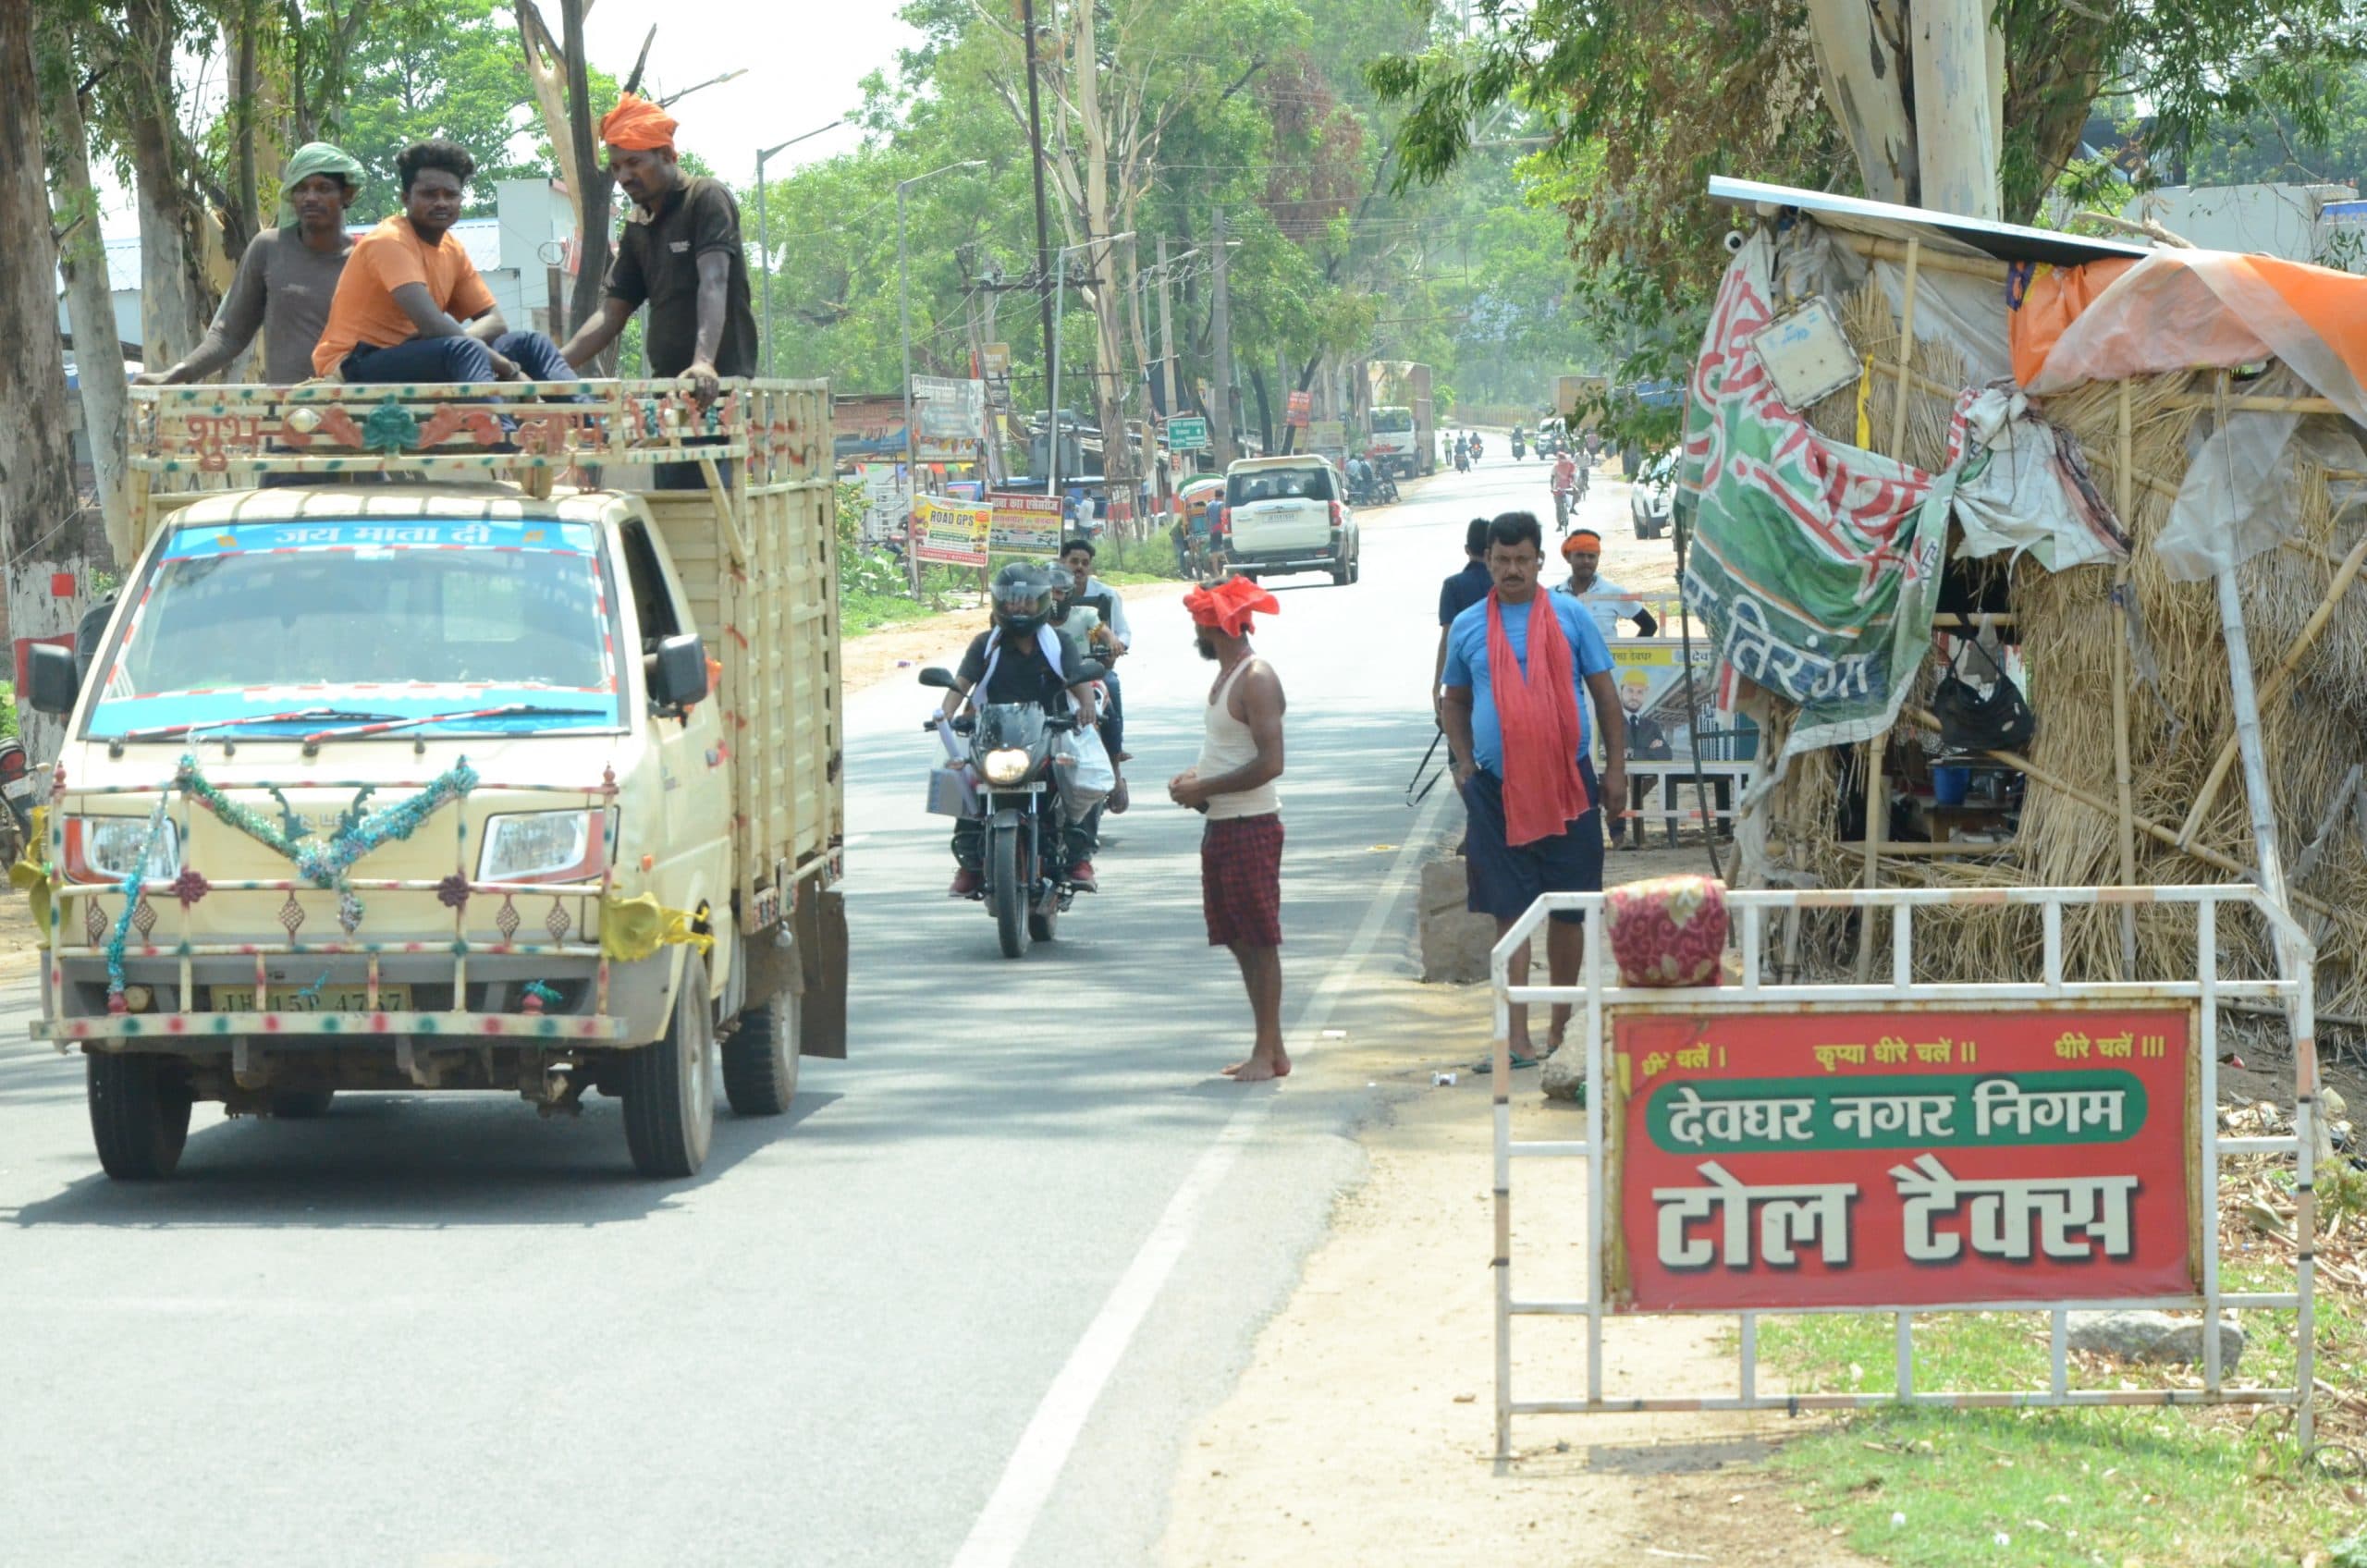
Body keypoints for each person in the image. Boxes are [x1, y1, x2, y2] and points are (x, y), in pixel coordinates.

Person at [1441, 512, 1627, 1065]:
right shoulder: (1469, 626)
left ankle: (1560, 1032)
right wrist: (1465, 763)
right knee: (1510, 910)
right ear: (1489, 560)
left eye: (1523, 560)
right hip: (1497, 791)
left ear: (1541, 561)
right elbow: (1453, 699)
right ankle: (1515, 1039)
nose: (1512, 570)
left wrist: (1615, 770)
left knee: (1570, 908)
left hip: (1569, 785)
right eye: (1502, 560)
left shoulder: (1571, 617)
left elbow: (1606, 697)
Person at [558, 92, 760, 488]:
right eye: (616, 167)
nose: (624, 176)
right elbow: (611, 313)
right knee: (673, 500)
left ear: (667, 155)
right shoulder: (638, 225)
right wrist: (554, 367)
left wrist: (704, 362)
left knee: (709, 505)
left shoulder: (706, 198)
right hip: (668, 390)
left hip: (717, 389)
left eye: (635, 162)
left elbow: (714, 282)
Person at [312, 139, 577, 387]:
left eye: (450, 195)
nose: (441, 202)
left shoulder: (451, 248)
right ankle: (499, 432)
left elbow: (495, 322)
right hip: (356, 365)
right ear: (406, 198)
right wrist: (510, 370)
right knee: (464, 349)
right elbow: (433, 326)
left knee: (530, 343)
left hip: (419, 358)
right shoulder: (389, 240)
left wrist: (448, 341)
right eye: (429, 194)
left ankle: (588, 420)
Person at [1169, 576, 1289, 1082]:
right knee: (1239, 937)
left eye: (1199, 617)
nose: (1195, 627)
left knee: (1258, 940)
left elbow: (1271, 762)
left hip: (1250, 824)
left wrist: (1205, 787)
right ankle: (1271, 1047)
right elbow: (1233, 752)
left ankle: (1268, 1050)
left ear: (1212, 621)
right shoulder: (1228, 675)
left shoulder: (1255, 677)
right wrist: (1199, 784)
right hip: (1223, 824)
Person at [140, 142, 365, 387]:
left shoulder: (366, 258)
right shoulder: (269, 248)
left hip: (354, 410)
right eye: (301, 189)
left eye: (323, 188)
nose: (310, 197)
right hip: (284, 412)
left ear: (347, 194)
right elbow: (228, 336)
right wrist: (177, 373)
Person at [939, 563, 1101, 896]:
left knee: (1082, 777)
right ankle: (969, 863)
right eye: (1011, 600)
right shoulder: (985, 644)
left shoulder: (1059, 642)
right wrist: (944, 714)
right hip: (995, 734)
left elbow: (1076, 676)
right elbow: (962, 682)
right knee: (962, 777)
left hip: (1050, 730)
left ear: (1041, 602)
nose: (1019, 607)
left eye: (1027, 600)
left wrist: (1086, 707)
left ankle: (1079, 857)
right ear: (1000, 604)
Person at [1057, 536, 1133, 811]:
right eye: (1073, 562)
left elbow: (1105, 631)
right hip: (1050, 677)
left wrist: (1113, 645)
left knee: (1109, 686)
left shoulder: (1090, 610)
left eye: (1084, 563)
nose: (1078, 568)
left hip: (1088, 672)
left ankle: (1114, 767)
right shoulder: (1037, 612)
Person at [1434, 516, 1494, 718]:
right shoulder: (1505, 585)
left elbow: (1447, 639)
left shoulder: (1453, 586)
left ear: (1467, 550)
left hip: (1463, 682)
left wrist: (1437, 687)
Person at [1557, 528, 1657, 642]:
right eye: (1580, 555)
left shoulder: (1614, 593)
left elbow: (1649, 626)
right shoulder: (1555, 596)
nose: (1586, 561)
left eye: (1591, 556)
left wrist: (1628, 655)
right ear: (1568, 557)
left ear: (1598, 558)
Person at [1550, 449, 1579, 532]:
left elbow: (1572, 476)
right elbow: (1552, 478)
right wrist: (1552, 488)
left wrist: (1573, 484)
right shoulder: (1555, 467)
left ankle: (1572, 508)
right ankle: (1559, 525)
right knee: (1558, 507)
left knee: (1576, 493)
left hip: (1568, 486)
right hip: (1558, 488)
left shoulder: (1569, 465)